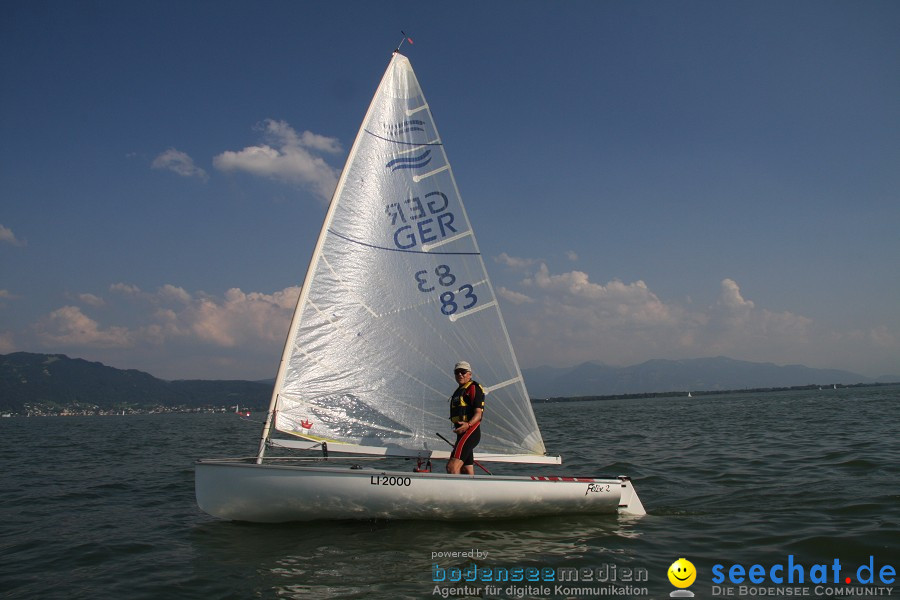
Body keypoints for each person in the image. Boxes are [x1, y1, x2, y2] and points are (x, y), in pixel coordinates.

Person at [446, 361, 485, 475]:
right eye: (457, 372)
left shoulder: (473, 388)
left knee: (452, 467)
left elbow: (478, 414)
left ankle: (455, 493)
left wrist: (468, 425)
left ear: (470, 374)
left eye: (463, 372)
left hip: (470, 432)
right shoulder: (459, 390)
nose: (460, 375)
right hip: (461, 434)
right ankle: (472, 492)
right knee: (466, 469)